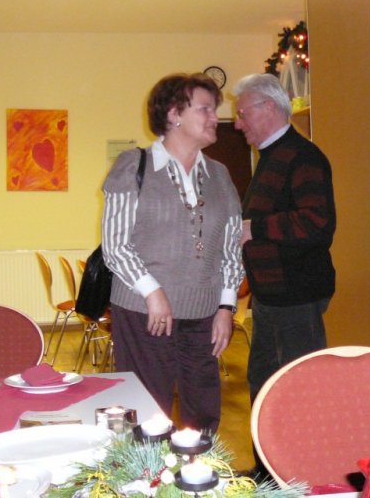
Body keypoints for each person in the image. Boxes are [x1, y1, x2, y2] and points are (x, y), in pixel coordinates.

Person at [101, 73, 243, 433]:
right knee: (148, 412)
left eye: (214, 110)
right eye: (205, 109)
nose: (215, 118)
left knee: (204, 412)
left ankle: (199, 468)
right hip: (143, 312)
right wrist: (153, 291)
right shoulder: (133, 166)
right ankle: (146, 470)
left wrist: (226, 307)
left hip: (203, 315)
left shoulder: (220, 176)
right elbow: (115, 245)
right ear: (174, 113)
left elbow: (230, 249)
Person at [233, 73, 336, 472]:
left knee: (296, 390)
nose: (238, 123)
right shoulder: (272, 157)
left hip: (297, 297)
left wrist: (254, 229)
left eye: (242, 113)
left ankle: (302, 477)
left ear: (269, 108)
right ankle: (268, 473)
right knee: (263, 384)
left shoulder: (303, 156)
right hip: (271, 297)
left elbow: (317, 224)